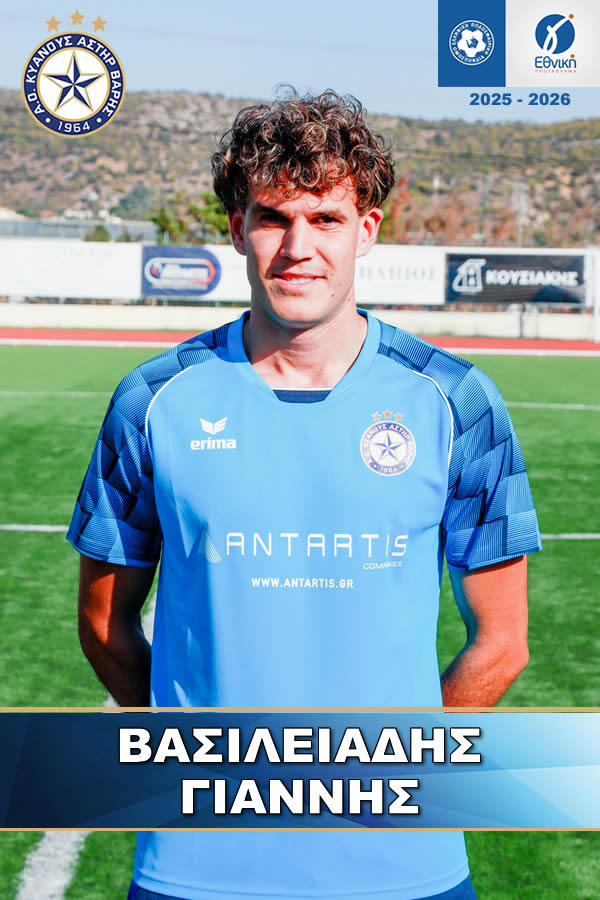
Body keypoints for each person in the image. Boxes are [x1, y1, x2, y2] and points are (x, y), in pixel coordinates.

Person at [67, 89, 542, 900]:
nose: (298, 247)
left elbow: (503, 642)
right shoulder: (153, 400)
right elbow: (104, 623)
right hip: (199, 866)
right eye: (273, 218)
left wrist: (398, 774)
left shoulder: (455, 401)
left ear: (367, 230)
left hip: (402, 867)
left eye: (325, 218)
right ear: (236, 228)